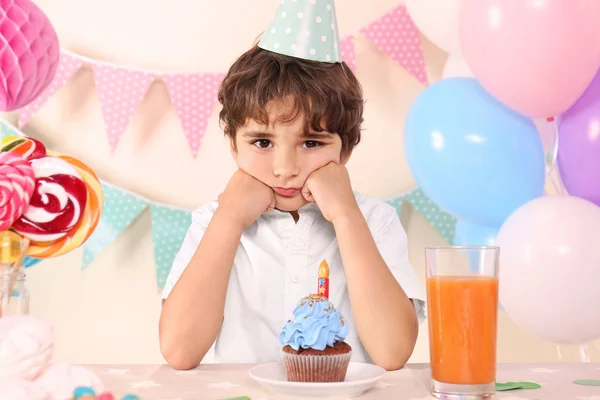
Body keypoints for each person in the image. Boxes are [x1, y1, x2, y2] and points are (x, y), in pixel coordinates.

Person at [159, 0, 425, 371]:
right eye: (262, 142)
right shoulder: (212, 221)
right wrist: (229, 219)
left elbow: (393, 352)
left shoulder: (373, 220)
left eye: (312, 143)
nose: (285, 169)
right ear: (233, 144)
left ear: (345, 149)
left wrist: (346, 216)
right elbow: (179, 351)